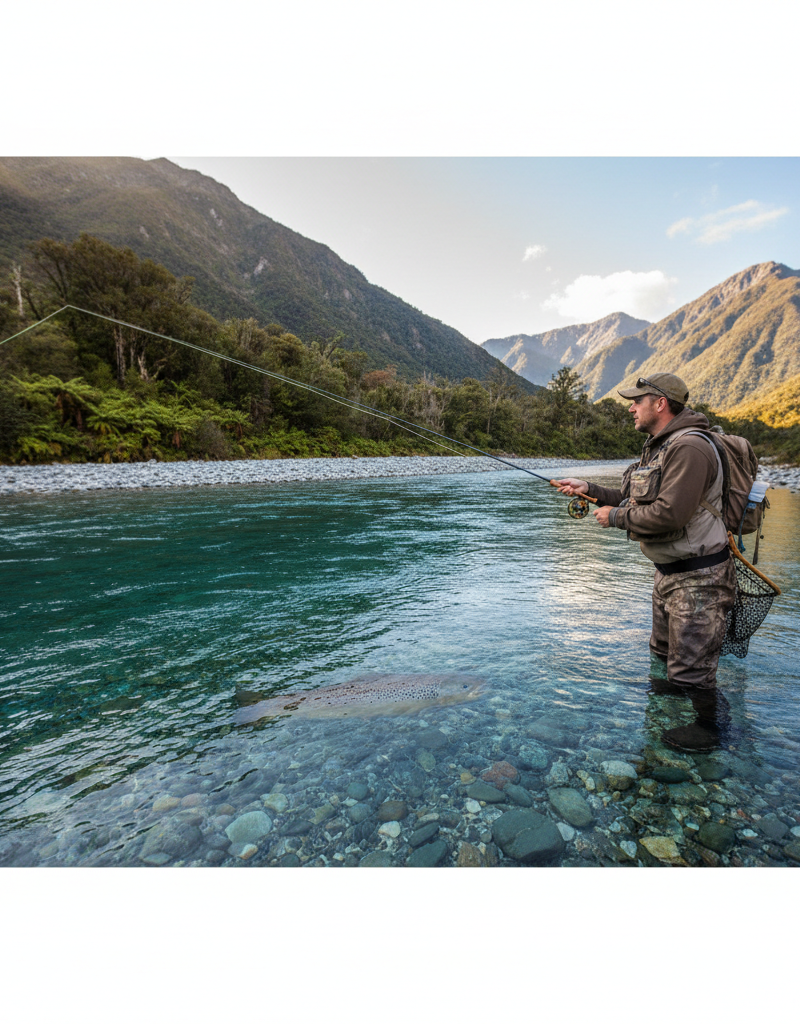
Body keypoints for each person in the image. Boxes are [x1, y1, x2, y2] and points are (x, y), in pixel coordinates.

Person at [556, 372, 737, 752]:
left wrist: (615, 518)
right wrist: (588, 489)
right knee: (665, 657)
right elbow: (628, 494)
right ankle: (674, 706)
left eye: (637, 400)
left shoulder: (690, 448)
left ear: (660, 403)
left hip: (700, 577)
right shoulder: (659, 447)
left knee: (694, 671)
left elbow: (669, 515)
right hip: (670, 574)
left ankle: (711, 730)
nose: (630, 406)